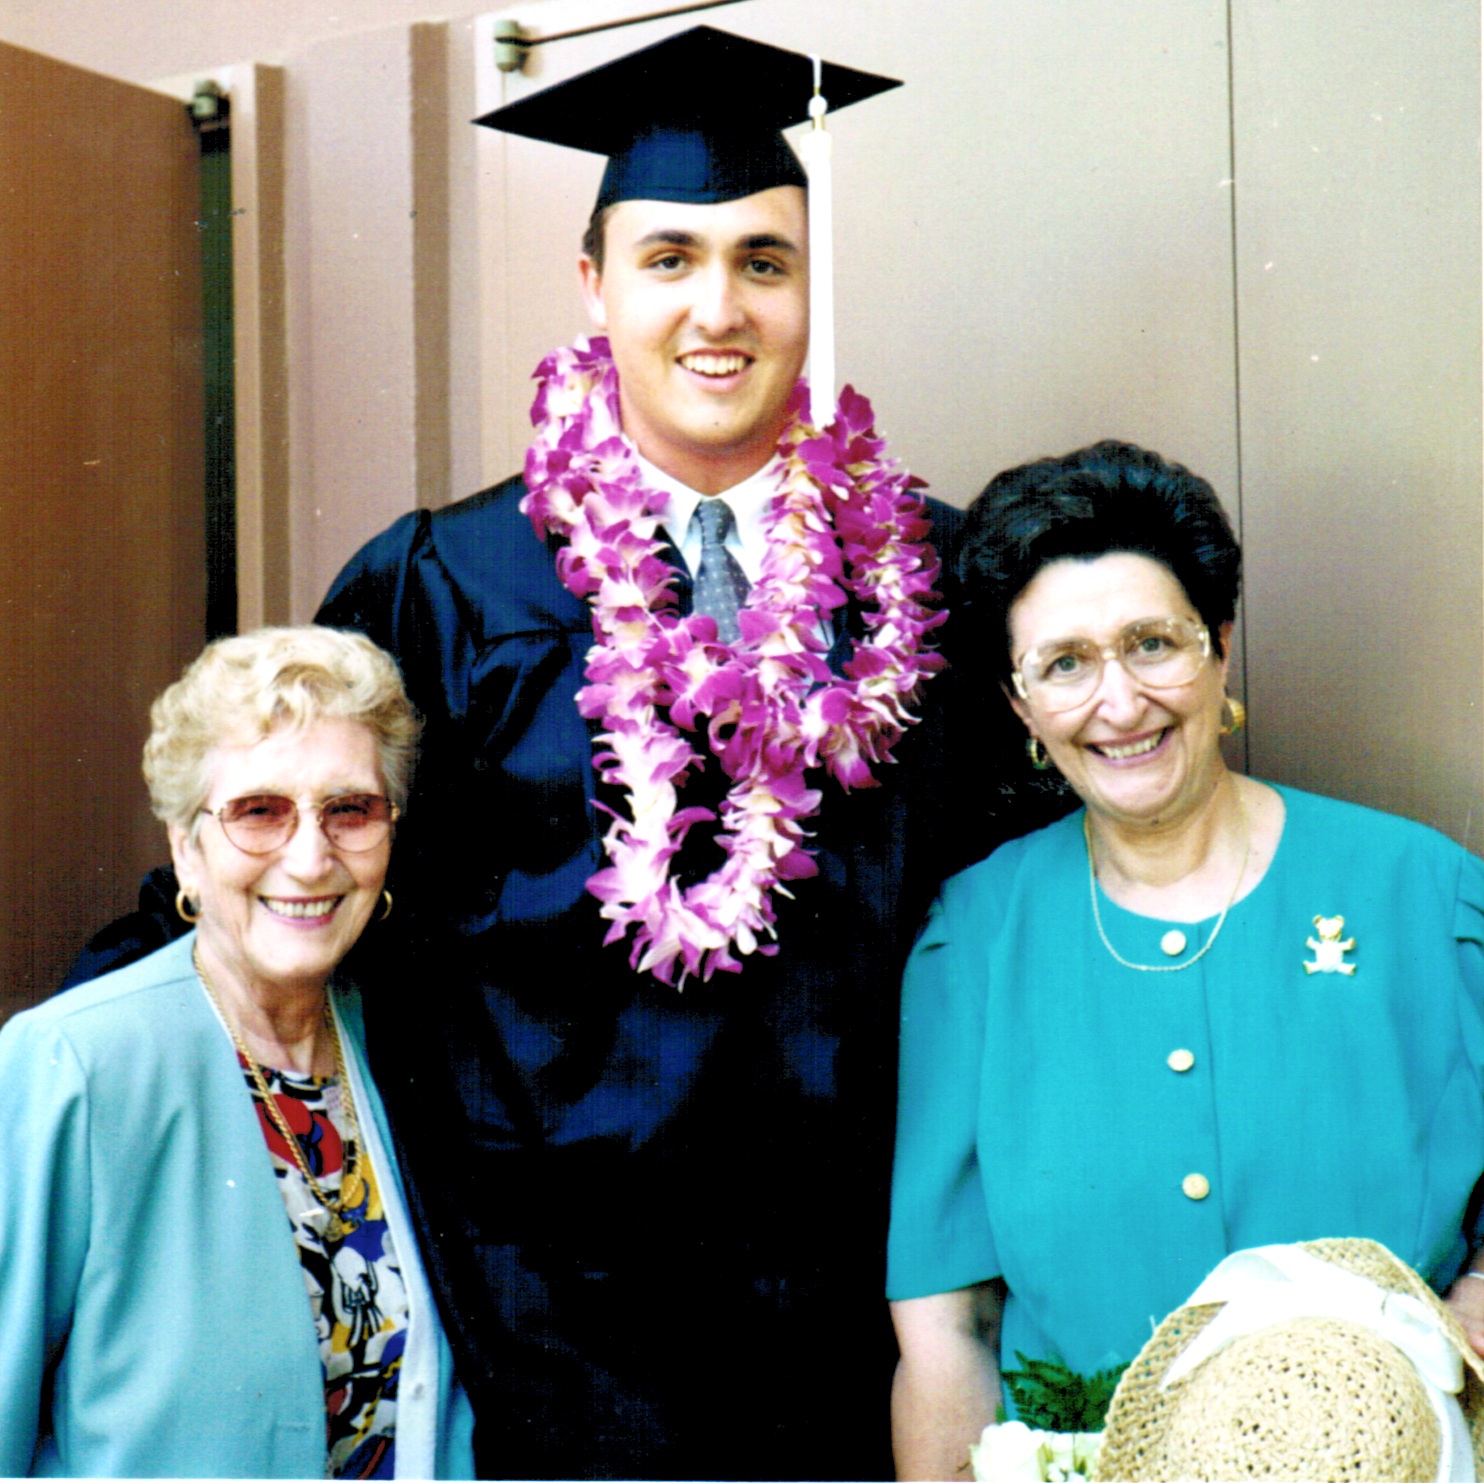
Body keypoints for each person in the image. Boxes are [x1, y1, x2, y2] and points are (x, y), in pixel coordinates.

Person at [311, 27, 1020, 1481]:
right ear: (593, 285)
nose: (719, 306)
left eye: (764, 260)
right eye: (668, 258)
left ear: (811, 285)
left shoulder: (932, 584)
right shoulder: (448, 583)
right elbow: (292, 874)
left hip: (856, 1322)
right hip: (541, 1321)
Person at [885, 440, 1484, 1480]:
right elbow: (947, 1329)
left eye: (1151, 644)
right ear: (1019, 703)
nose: (1118, 703)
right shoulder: (973, 937)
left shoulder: (1424, 896)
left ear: (1217, 646)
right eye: (1064, 664)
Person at [0, 627, 475, 1478]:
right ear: (186, 845)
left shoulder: (399, 1044)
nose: (311, 858)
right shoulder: (72, 1064)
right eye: (260, 811)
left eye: (349, 809)